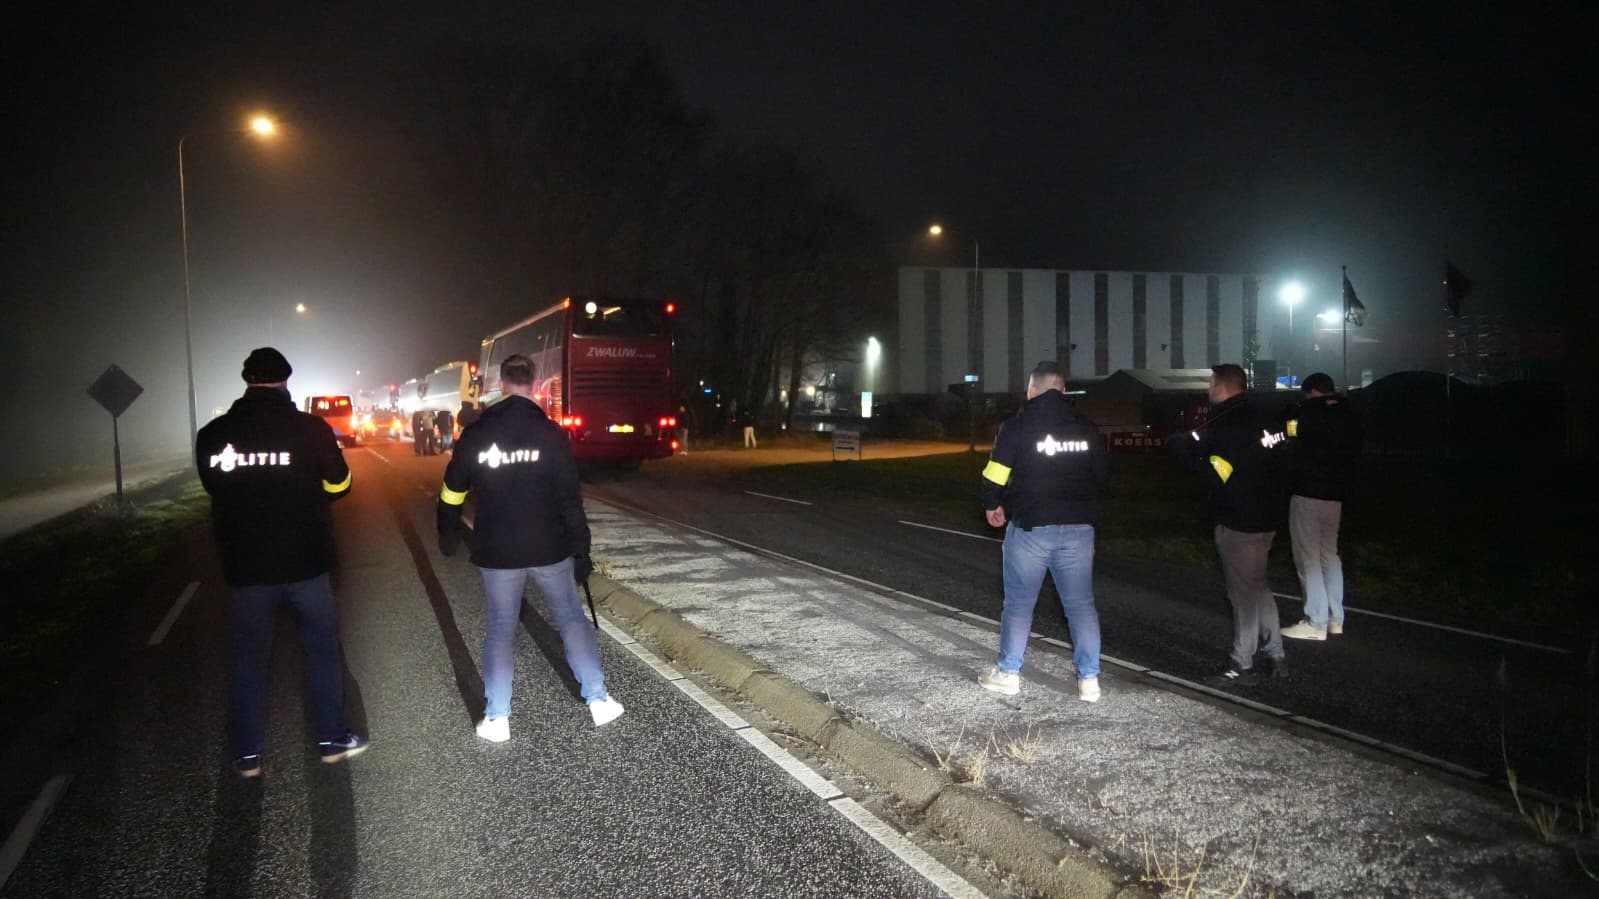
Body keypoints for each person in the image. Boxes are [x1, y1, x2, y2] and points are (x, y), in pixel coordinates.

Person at [196, 347, 369, 778]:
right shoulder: (311, 429)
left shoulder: (213, 434)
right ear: (286, 379)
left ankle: (247, 755)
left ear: (246, 379)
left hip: (246, 565)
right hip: (306, 561)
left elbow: (213, 487)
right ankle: (332, 740)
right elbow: (341, 482)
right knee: (321, 651)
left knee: (249, 657)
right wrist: (312, 494)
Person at [436, 354, 623, 742]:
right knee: (571, 617)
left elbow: (452, 490)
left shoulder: (477, 434)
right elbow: (569, 499)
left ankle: (497, 718)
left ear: (502, 383)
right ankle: (599, 701)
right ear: (533, 383)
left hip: (498, 549)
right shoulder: (551, 435)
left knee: (502, 627)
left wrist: (448, 531)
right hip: (549, 546)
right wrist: (581, 549)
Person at [978, 361, 1109, 702]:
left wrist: (993, 504)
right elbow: (1104, 474)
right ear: (1064, 390)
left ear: (1031, 390)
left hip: (1031, 528)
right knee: (1080, 605)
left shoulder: (1016, 427)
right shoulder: (1087, 427)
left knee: (1020, 604)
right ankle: (1090, 681)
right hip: (1080, 528)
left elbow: (995, 474)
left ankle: (1008, 674)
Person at [1169, 363, 1293, 685]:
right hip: (1269, 517)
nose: (1208, 389)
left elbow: (1215, 476)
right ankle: (1276, 654)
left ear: (1220, 385)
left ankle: (1242, 664)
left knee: (1242, 596)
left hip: (1239, 520)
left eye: (1210, 383)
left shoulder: (1228, 425)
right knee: (1259, 586)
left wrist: (1184, 452)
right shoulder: (1267, 416)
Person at [1281, 373, 1364, 641]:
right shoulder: (1349, 415)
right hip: (1336, 496)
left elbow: (1290, 437)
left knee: (1308, 558)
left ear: (1312, 391)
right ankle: (1335, 618)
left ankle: (1314, 620)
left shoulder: (1306, 413)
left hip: (1308, 492)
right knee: (1330, 555)